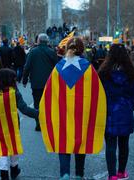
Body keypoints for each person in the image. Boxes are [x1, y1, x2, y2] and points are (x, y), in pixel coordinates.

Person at [39, 37, 107, 179]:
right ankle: (79, 174)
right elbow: (97, 93)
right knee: (80, 142)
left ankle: (64, 174)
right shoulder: (88, 68)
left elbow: (48, 94)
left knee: (63, 142)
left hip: (62, 113)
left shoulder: (58, 68)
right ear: (81, 49)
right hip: (82, 114)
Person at [98, 44, 134, 180]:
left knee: (110, 145)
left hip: (108, 113)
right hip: (125, 112)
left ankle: (112, 175)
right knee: (124, 144)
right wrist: (128, 107)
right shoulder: (131, 73)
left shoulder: (103, 73)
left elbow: (97, 95)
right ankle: (122, 172)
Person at [0, 68, 38, 180]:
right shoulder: (14, 92)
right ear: (10, 80)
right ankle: (14, 168)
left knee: (2, 149)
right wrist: (39, 114)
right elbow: (24, 109)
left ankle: (4, 174)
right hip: (12, 126)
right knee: (13, 145)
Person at [22, 33, 58, 131]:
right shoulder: (52, 52)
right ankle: (47, 122)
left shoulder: (33, 52)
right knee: (48, 103)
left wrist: (24, 80)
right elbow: (57, 68)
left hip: (36, 83)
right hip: (49, 83)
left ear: (38, 41)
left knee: (37, 103)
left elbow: (27, 67)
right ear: (47, 41)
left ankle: (38, 122)